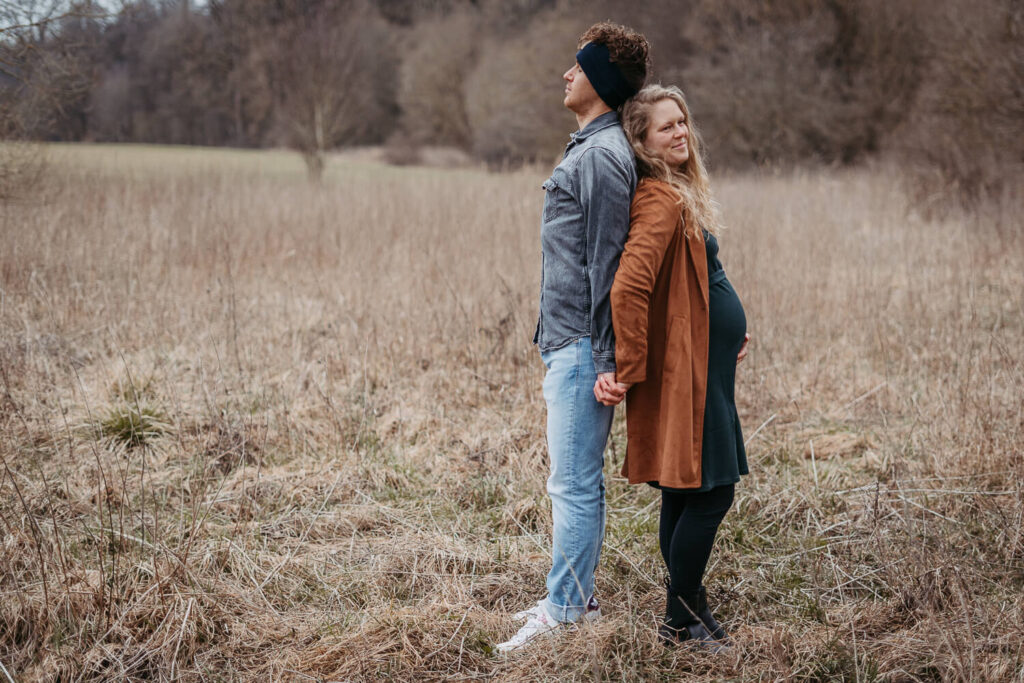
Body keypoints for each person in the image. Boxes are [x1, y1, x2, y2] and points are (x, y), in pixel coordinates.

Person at [496, 22, 650, 653]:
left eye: (578, 67)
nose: (566, 74)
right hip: (570, 343)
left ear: (602, 83)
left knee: (574, 482)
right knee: (572, 478)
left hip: (586, 350)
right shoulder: (590, 149)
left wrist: (608, 360)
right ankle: (573, 593)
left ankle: (564, 611)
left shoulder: (603, 157)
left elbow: (611, 267)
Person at [594, 84, 750, 648]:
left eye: (682, 121)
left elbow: (696, 275)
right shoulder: (659, 199)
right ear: (641, 140)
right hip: (688, 370)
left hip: (708, 359)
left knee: (685, 491)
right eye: (666, 127)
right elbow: (629, 286)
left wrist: (728, 319)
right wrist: (629, 367)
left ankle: (689, 613)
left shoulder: (677, 190)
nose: (680, 132)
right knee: (713, 493)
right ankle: (679, 617)